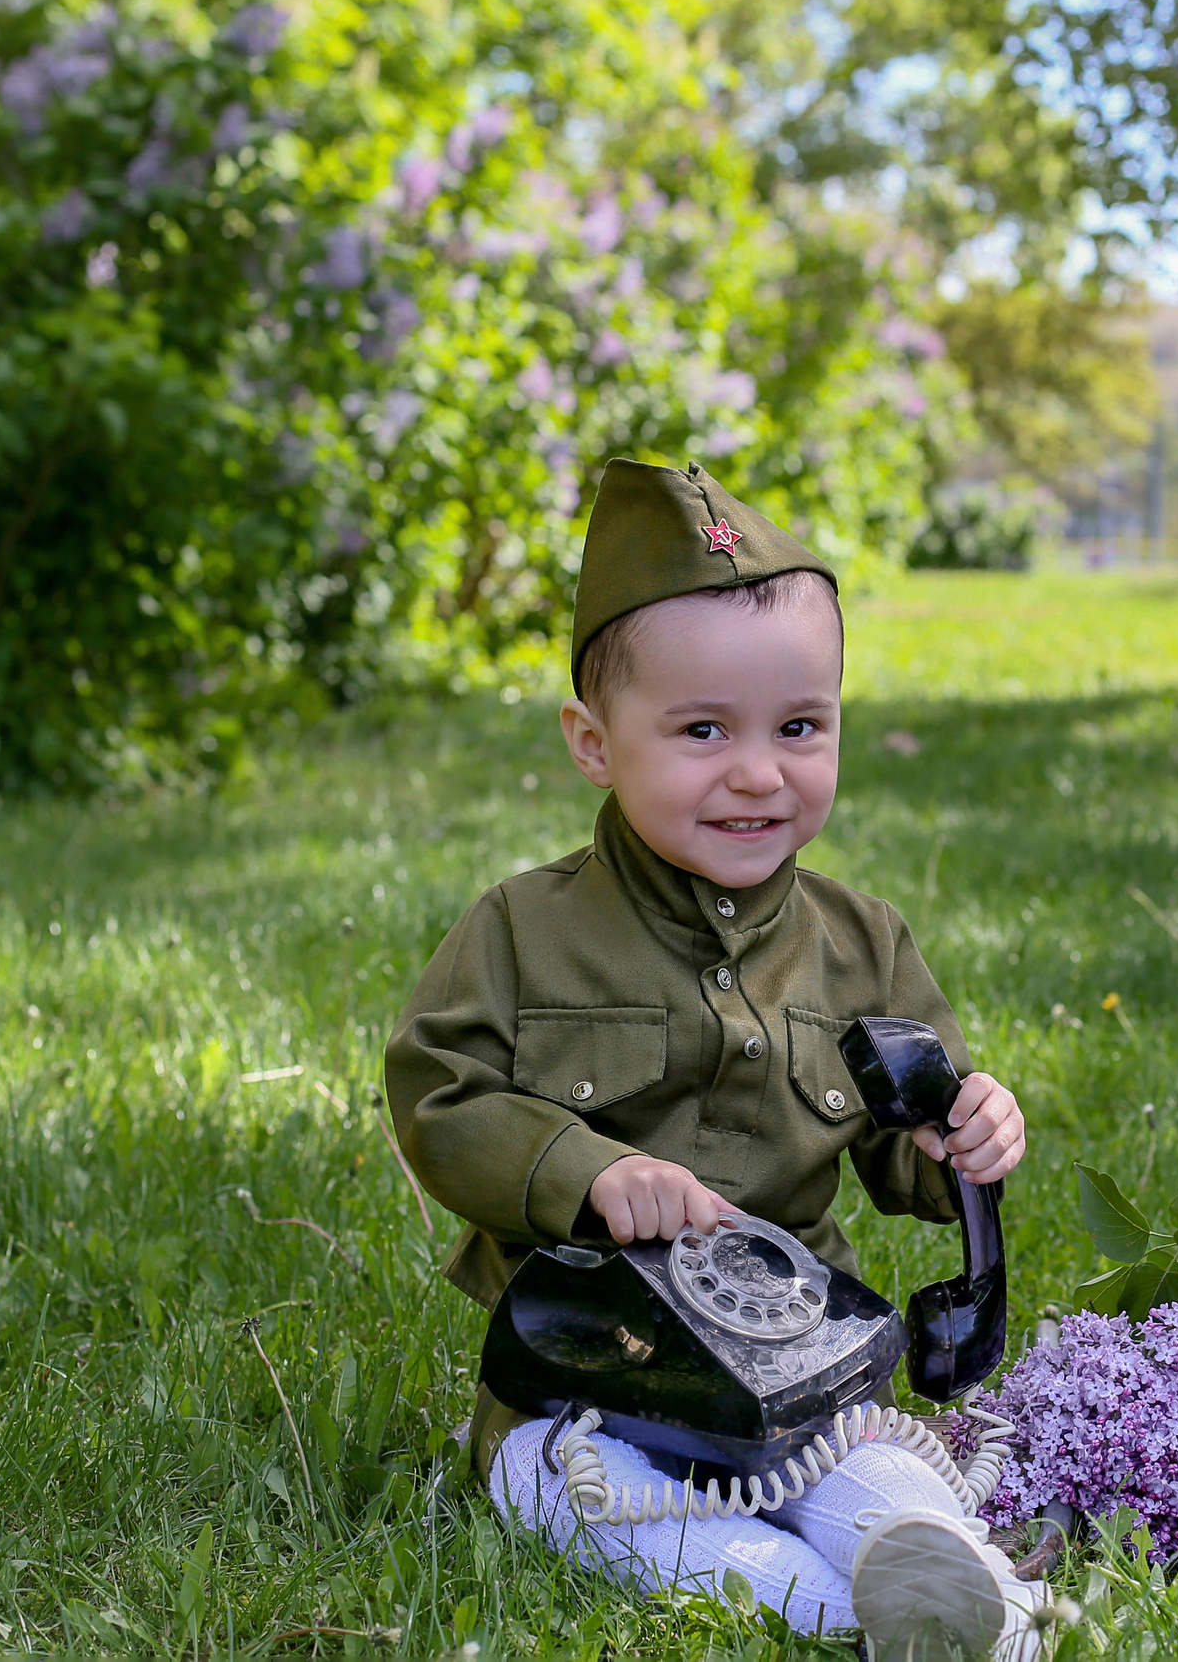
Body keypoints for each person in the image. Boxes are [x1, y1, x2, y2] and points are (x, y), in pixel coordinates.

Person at [386, 458, 1043, 1656]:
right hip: (586, 1382)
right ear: (593, 742)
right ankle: (843, 1611)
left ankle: (951, 1585)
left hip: (802, 1375)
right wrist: (578, 1169)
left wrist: (965, 1137)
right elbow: (441, 1094)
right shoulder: (524, 931)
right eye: (701, 731)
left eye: (800, 727)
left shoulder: (860, 942)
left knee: (873, 1481)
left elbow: (908, 1149)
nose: (758, 770)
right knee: (580, 1497)